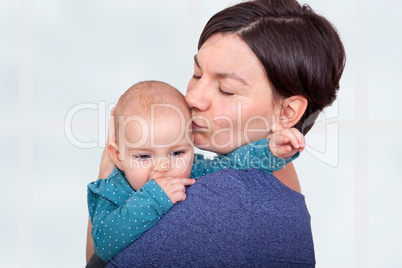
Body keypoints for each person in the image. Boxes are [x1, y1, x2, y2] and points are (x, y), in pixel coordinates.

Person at [87, 0, 345, 266]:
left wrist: (110, 172)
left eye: (226, 89)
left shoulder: (223, 202)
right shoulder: (262, 186)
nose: (192, 98)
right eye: (197, 74)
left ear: (287, 113)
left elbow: (99, 259)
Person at [87, 80, 304, 265]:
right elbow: (104, 246)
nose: (162, 167)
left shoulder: (193, 169)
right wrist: (154, 198)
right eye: (144, 157)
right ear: (118, 156)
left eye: (177, 152)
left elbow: (233, 164)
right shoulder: (111, 188)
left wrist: (270, 150)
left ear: (191, 145)